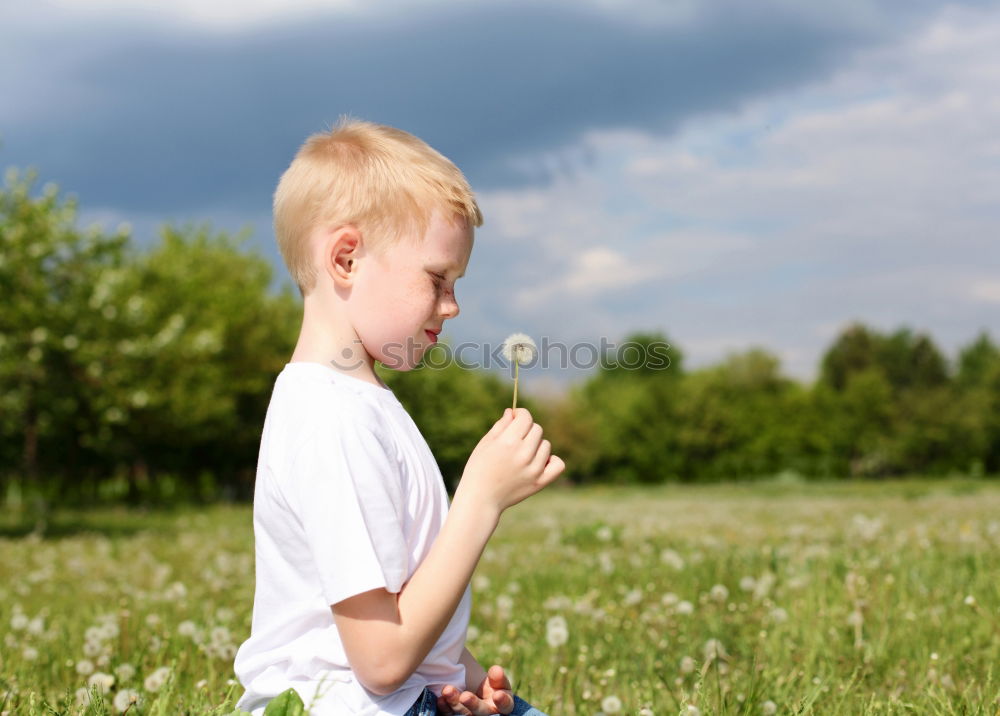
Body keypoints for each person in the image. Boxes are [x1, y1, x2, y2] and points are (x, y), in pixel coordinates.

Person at [233, 117, 565, 716]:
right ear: (345, 259)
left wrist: (459, 677)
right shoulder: (330, 418)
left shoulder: (364, 406)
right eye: (437, 278)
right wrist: (480, 499)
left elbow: (401, 603)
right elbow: (381, 660)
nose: (453, 305)